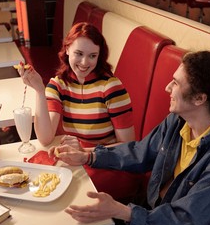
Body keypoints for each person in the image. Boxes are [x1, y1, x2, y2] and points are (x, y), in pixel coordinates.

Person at [51, 51, 210, 225]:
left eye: (175, 83)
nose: (167, 88)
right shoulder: (178, 120)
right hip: (152, 211)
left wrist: (122, 211)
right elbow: (140, 152)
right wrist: (89, 155)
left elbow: (186, 221)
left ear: (200, 98)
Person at [18, 22, 141, 202]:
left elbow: (128, 146)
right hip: (76, 163)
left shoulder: (111, 87)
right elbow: (45, 137)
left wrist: (85, 151)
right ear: (67, 49)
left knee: (57, 194)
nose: (85, 63)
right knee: (36, 187)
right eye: (79, 54)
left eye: (92, 56)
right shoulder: (58, 84)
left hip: (109, 165)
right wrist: (39, 90)